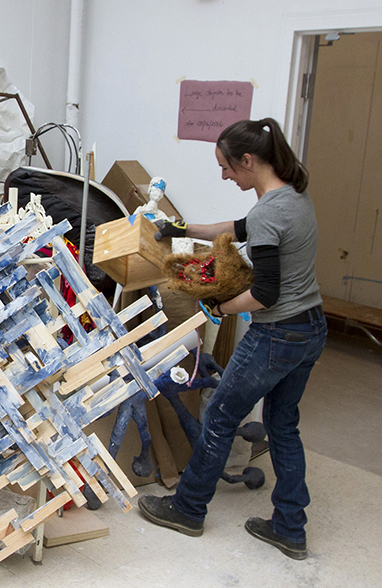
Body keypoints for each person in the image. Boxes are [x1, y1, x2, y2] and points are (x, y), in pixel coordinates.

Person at [140, 117, 326, 561]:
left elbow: (265, 294)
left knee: (221, 415)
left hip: (277, 333)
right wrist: (183, 229)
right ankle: (290, 529)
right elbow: (239, 229)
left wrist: (218, 309)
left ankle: (187, 509)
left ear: (247, 160)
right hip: (311, 328)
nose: (224, 176)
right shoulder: (294, 196)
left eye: (226, 167)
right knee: (283, 425)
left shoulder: (269, 213)